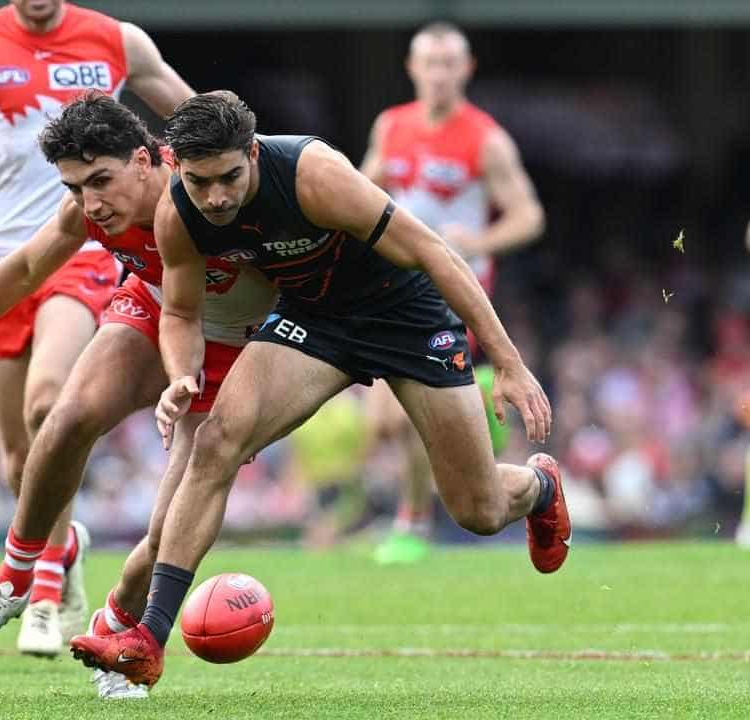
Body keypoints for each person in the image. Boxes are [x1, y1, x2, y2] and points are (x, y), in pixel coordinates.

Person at [69, 91, 570, 688]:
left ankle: (538, 487)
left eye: (230, 177)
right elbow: (178, 314)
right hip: (314, 319)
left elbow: (434, 252)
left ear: (252, 153)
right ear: (180, 167)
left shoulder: (314, 174)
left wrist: (508, 362)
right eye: (201, 182)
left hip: (406, 315)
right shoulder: (180, 209)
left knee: (479, 510)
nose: (218, 197)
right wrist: (182, 373)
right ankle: (148, 640)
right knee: (215, 441)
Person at [0, 93, 274, 696]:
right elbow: (27, 266)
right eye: (76, 185)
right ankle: (13, 578)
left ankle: (117, 623)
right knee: (64, 417)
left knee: (168, 531)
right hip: (156, 309)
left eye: (101, 181)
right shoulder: (87, 208)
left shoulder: (210, 187)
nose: (91, 202)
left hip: (242, 347)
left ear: (146, 160)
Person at [0, 0, 192, 646]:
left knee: (49, 403)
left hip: (86, 253)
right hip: (6, 256)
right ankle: (65, 547)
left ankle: (42, 591)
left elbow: (195, 121)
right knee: (21, 461)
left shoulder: (118, 41)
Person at [358, 22, 546, 565]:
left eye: (449, 64)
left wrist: (479, 240)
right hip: (393, 282)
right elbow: (363, 188)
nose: (438, 74)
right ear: (412, 68)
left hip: (452, 290)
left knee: (398, 418)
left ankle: (413, 522)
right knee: (381, 424)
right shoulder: (391, 127)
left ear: (466, 70)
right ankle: (475, 392)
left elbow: (530, 215)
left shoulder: (485, 138)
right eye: (429, 63)